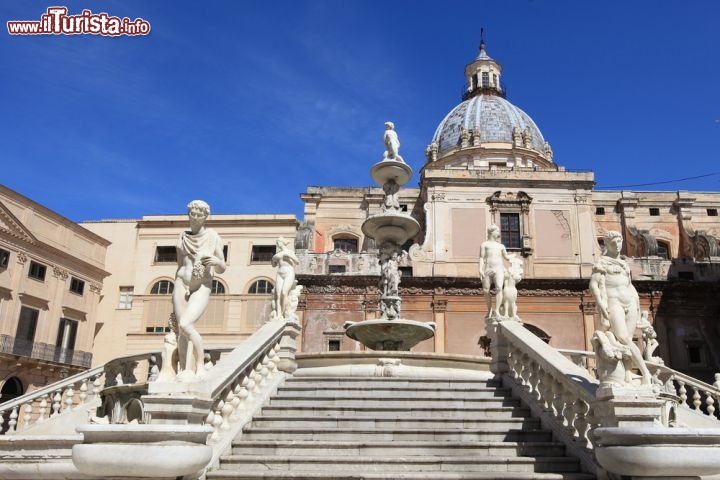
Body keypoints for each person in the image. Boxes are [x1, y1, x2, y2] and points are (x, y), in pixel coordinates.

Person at [172, 200, 226, 381]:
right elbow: (180, 263)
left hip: (202, 284)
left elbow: (222, 266)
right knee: (181, 330)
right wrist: (181, 283)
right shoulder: (182, 236)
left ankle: (200, 367)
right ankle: (184, 369)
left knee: (186, 324)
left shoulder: (212, 236)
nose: (195, 218)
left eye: (199, 215)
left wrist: (216, 262)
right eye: (192, 214)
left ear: (205, 217)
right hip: (181, 282)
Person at [589, 230, 651, 385]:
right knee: (622, 337)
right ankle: (646, 372)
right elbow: (594, 285)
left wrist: (636, 302)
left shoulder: (624, 263)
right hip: (613, 301)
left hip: (630, 302)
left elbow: (629, 285)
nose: (617, 245)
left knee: (627, 340)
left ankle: (628, 374)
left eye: (619, 242)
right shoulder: (602, 262)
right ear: (607, 244)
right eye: (613, 243)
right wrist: (601, 304)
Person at [479, 224, 513, 318]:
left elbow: (506, 257)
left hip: (499, 268)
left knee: (499, 288)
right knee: (486, 290)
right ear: (492, 232)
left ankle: (497, 310)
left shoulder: (501, 246)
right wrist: (480, 269)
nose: (499, 233)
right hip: (487, 268)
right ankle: (489, 309)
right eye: (497, 231)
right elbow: (481, 258)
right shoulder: (484, 244)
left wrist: (512, 257)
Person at [271, 237, 299, 319]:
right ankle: (279, 315)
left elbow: (297, 261)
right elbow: (273, 265)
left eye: (278, 242)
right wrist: (273, 259)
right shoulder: (278, 254)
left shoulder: (289, 252)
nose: (277, 244)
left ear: (281, 243)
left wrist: (289, 256)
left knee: (284, 292)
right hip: (280, 273)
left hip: (289, 272)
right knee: (278, 294)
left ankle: (285, 312)